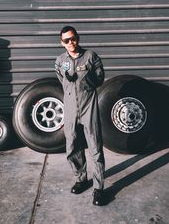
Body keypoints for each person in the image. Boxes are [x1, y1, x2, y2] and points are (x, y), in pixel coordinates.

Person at [55, 26, 105, 206]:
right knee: (72, 145)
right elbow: (61, 80)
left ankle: (98, 189)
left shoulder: (91, 56)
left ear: (78, 38)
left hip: (88, 105)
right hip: (70, 107)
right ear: (62, 42)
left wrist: (86, 78)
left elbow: (100, 80)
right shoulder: (60, 60)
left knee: (95, 146)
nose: (71, 43)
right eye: (66, 40)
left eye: (73, 38)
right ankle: (81, 179)